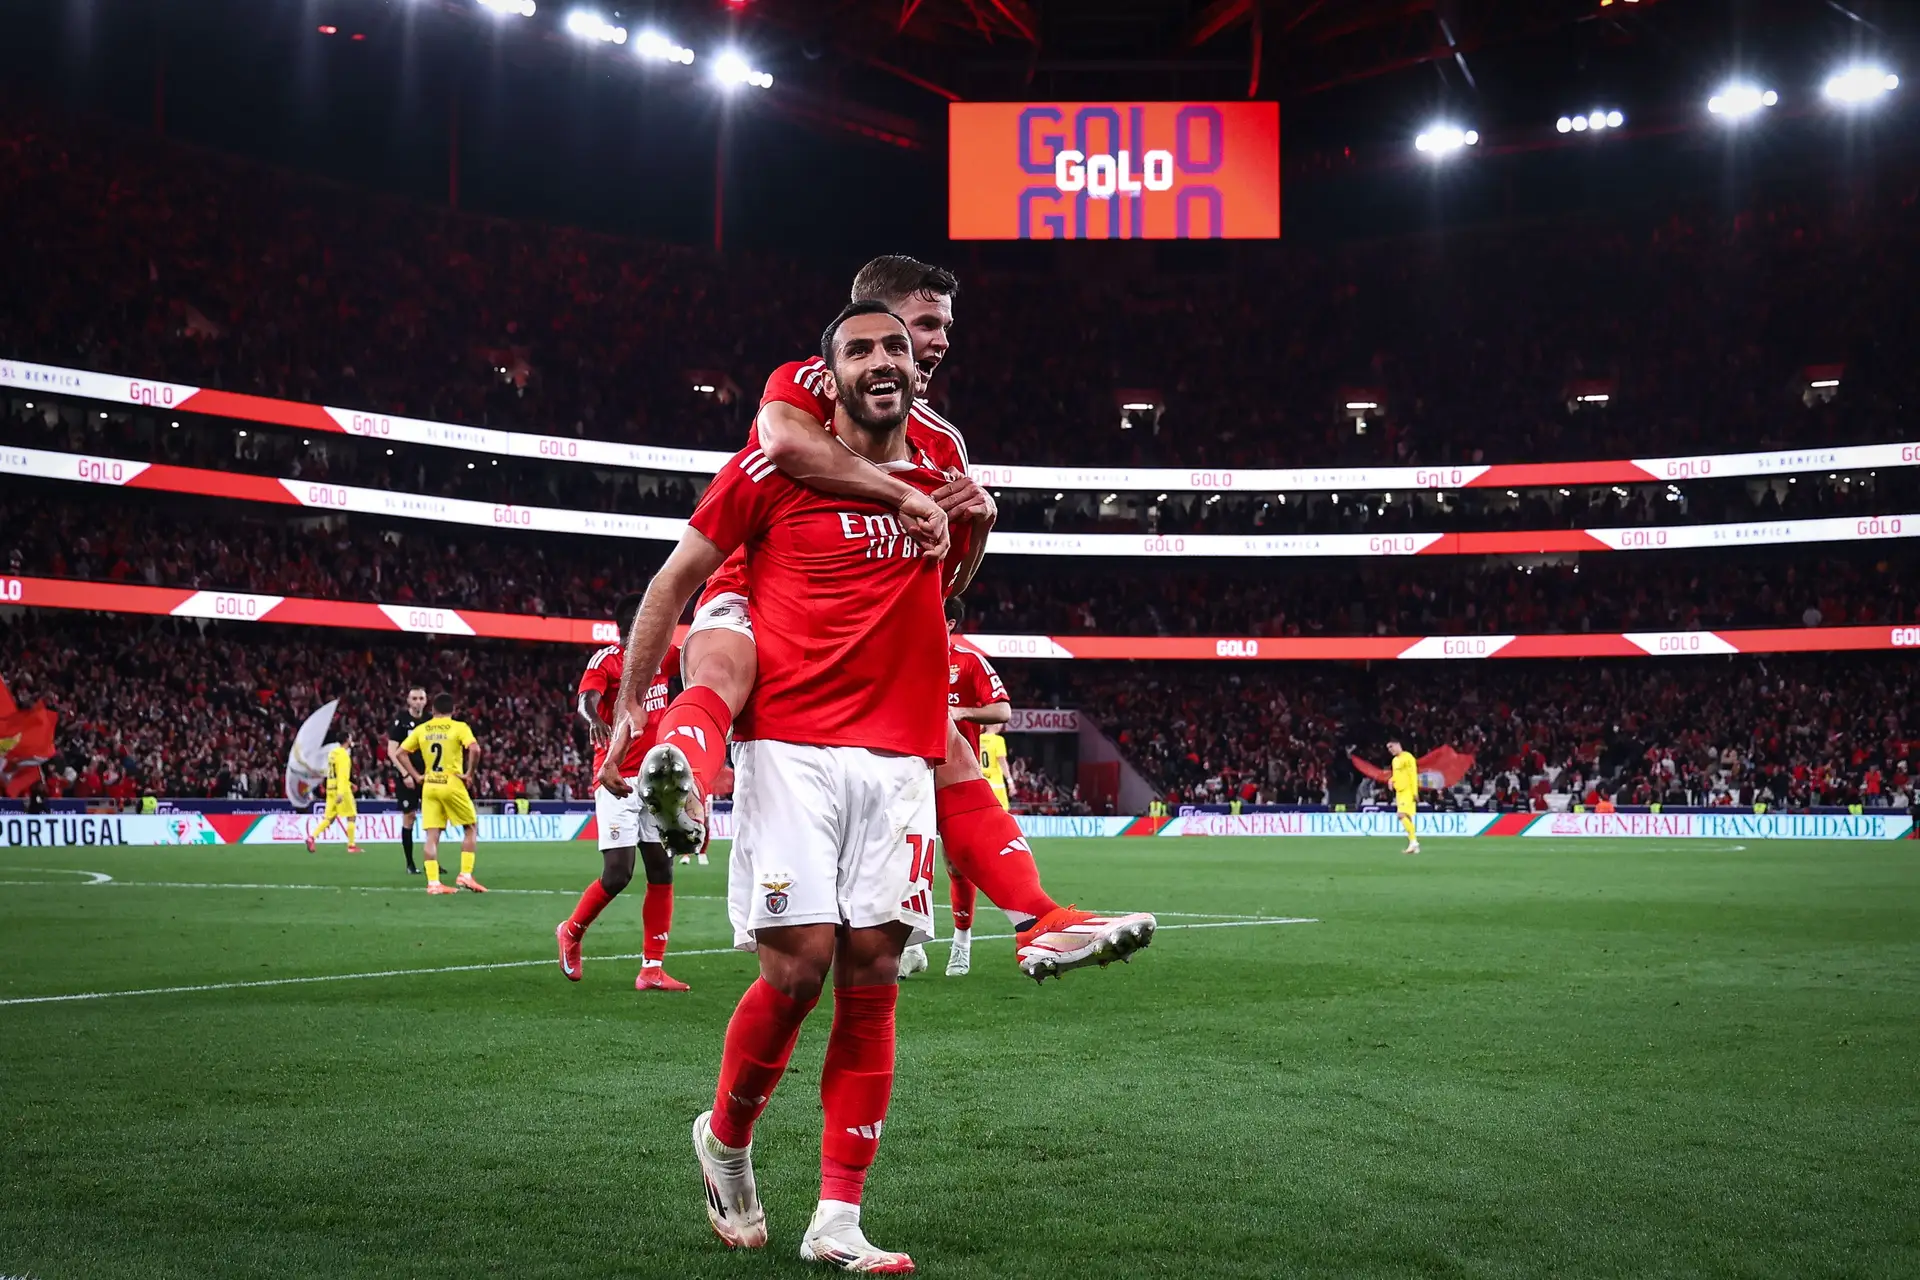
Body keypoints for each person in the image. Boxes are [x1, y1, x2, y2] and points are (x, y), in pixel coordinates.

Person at [637, 254, 1156, 981]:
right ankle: (681, 785)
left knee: (941, 741)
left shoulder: (942, 443)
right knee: (725, 664)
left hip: (855, 618)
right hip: (758, 578)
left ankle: (1035, 916)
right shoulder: (807, 380)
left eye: (940, 332)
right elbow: (783, 443)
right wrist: (902, 495)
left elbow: (940, 586)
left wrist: (974, 530)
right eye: (924, 326)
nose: (936, 344)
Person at [602, 302, 963, 1270]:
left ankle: (837, 1216)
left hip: (890, 754)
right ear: (827, 375)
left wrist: (969, 527)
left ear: (917, 368)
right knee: (798, 965)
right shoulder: (771, 465)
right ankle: (724, 1137)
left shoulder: (940, 478)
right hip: (793, 738)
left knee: (875, 970)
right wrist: (630, 703)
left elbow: (939, 594)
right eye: (860, 349)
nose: (884, 358)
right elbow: (672, 580)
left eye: (897, 344)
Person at [556, 592, 688, 991]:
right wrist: (594, 717)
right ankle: (571, 932)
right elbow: (586, 698)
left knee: (662, 870)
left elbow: (696, 656)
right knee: (618, 874)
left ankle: (652, 969)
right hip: (617, 781)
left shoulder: (665, 657)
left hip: (656, 778)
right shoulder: (608, 660)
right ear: (634, 626)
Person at [915, 597, 1011, 979]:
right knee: (900, 860)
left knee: (956, 864)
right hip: (909, 773)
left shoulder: (969, 662)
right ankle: (913, 948)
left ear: (950, 623)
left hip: (955, 777)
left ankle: (961, 943)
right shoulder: (908, 654)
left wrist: (962, 712)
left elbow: (1003, 710)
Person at [398, 693, 486, 895]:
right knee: (470, 827)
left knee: (432, 834)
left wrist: (416, 776)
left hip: (429, 784)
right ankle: (465, 874)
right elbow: (475, 749)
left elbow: (400, 753)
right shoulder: (459, 727)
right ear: (452, 711)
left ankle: (433, 883)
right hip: (451, 782)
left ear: (432, 710)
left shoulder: (422, 728)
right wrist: (469, 774)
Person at [386, 686, 428, 875]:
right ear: (409, 701)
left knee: (433, 820)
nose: (418, 701)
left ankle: (432, 861)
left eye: (421, 698)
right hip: (408, 778)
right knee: (409, 817)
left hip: (428, 777)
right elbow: (391, 751)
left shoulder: (430, 721)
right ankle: (410, 863)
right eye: (415, 698)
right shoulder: (401, 721)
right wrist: (405, 774)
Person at [306, 729, 364, 854]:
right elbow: (342, 775)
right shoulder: (343, 756)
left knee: (329, 818)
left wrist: (350, 784)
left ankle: (312, 837)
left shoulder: (333, 754)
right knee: (351, 815)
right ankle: (351, 845)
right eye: (350, 737)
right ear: (347, 740)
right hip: (340, 790)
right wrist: (342, 792)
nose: (351, 739)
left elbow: (335, 773)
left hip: (330, 788)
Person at [1389, 739, 1420, 855]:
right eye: (1388, 748)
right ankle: (1414, 845)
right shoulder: (1395, 760)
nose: (1390, 750)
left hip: (1407, 790)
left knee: (1401, 815)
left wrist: (1415, 792)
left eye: (1391, 747)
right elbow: (1397, 775)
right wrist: (1391, 780)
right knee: (1407, 817)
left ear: (1398, 745)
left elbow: (1413, 774)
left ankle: (1414, 843)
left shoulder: (1408, 757)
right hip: (1399, 792)